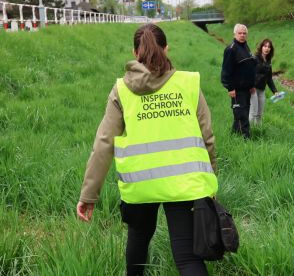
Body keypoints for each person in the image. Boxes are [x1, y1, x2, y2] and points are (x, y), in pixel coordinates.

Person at [76, 23, 218, 276]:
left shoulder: (121, 90)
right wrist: (210, 186)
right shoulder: (187, 83)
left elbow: (103, 143)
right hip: (183, 182)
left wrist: (88, 196)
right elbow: (207, 137)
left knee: (138, 242)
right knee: (187, 257)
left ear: (134, 53)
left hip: (140, 184)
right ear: (166, 48)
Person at [220, 23, 256, 138]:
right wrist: (230, 87)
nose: (242, 35)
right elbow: (226, 71)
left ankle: (234, 135)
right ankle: (246, 139)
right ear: (234, 34)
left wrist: (252, 85)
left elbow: (249, 67)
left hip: (247, 88)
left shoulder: (245, 46)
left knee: (242, 113)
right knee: (242, 115)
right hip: (237, 89)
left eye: (244, 33)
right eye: (239, 33)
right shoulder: (231, 49)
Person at [249, 38, 279, 125]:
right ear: (261, 47)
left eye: (269, 47)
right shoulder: (255, 59)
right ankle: (247, 134)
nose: (267, 48)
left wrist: (275, 91)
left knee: (259, 114)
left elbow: (269, 78)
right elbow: (248, 73)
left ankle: (258, 132)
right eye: (265, 46)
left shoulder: (268, 62)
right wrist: (250, 86)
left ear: (271, 49)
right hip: (253, 89)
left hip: (262, 90)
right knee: (253, 113)